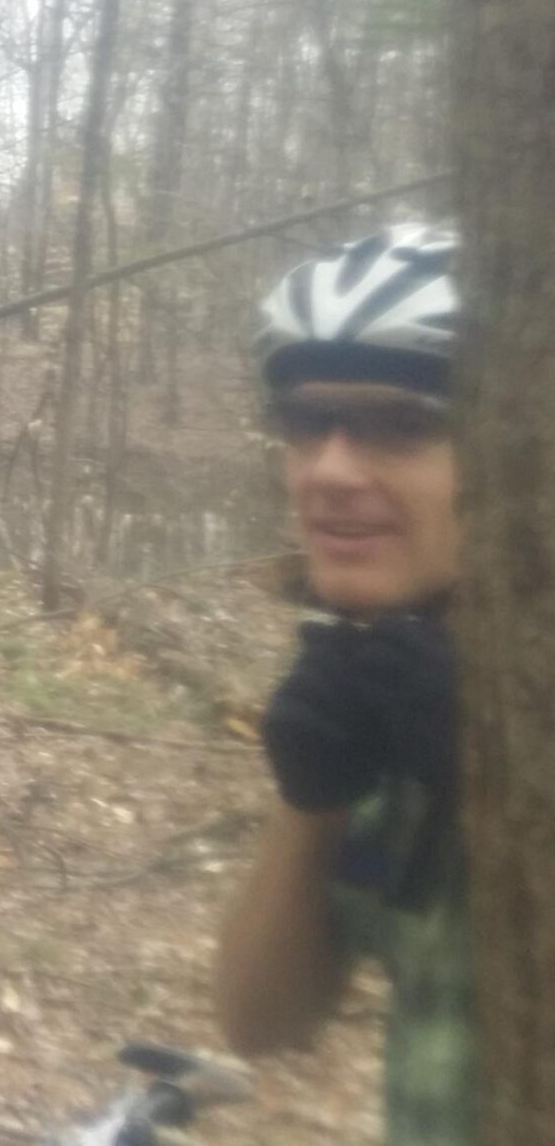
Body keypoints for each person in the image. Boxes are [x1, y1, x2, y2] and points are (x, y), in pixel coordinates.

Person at [215, 223, 473, 1145]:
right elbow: (261, 1020)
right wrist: (312, 804)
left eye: (401, 426)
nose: (327, 470)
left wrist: (507, 786)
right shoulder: (385, 686)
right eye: (304, 423)